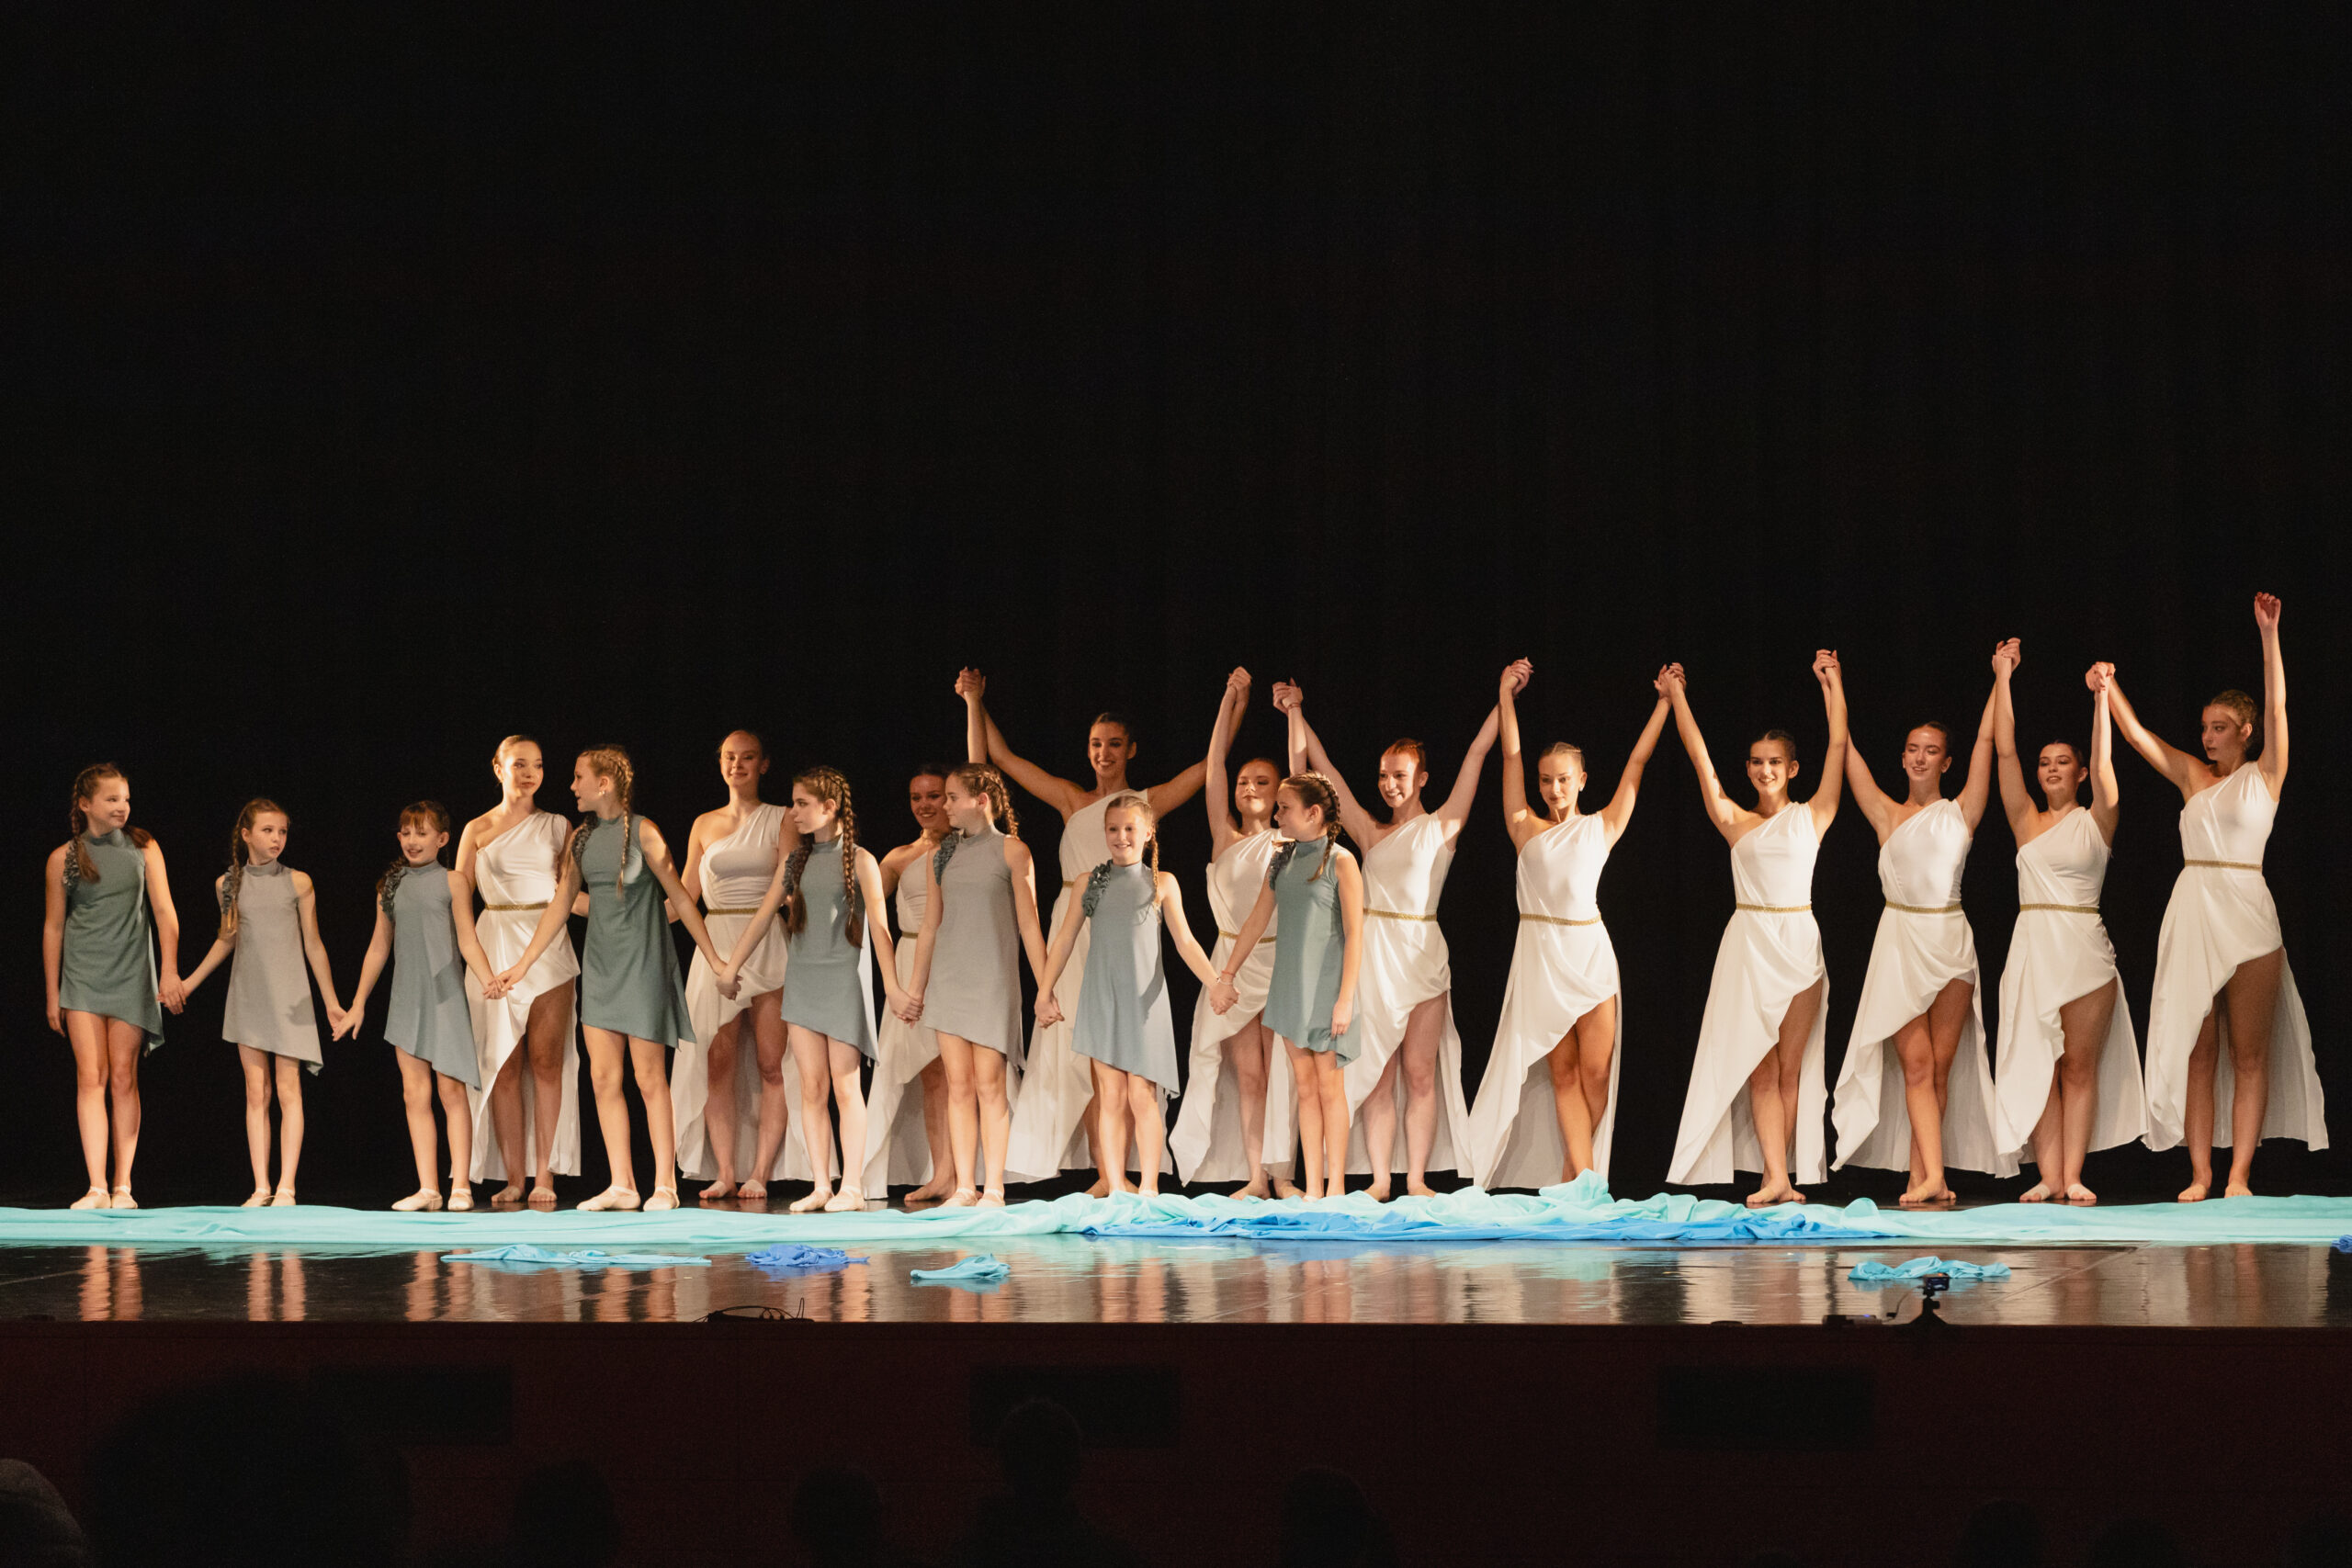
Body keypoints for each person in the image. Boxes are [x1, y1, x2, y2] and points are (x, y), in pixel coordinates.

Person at [2104, 592, 2323, 1198]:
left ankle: (2238, 1176)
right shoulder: (2192, 776)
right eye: (2204, 727)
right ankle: (2200, 1173)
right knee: (2198, 1052)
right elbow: (2138, 736)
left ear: (2245, 733)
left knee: (2248, 1054)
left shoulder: (2265, 774)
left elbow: (2277, 706)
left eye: (2219, 728)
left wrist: (2270, 636)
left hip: (2247, 909)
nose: (2207, 737)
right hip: (2195, 908)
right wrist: (2108, 686)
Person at [967, 670, 1208, 1190]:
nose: (1104, 753)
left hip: (1123, 933)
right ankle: (1106, 1173)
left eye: (1114, 744)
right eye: (1097, 744)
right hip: (1075, 922)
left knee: (1127, 1058)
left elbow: (1208, 768)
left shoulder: (1144, 803)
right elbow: (1001, 758)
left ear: (1131, 750)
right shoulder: (1071, 799)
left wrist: (1234, 703)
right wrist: (975, 700)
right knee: (1084, 1053)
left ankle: (1127, 1176)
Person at [1276, 679, 1500, 1199]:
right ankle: (1380, 1179)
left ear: (1421, 779)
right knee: (1377, 1070)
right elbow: (1325, 769)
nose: (1389, 784)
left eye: (1399, 775)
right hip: (1375, 956)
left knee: (1420, 1073)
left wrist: (1504, 698)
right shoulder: (1370, 832)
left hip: (1421, 954)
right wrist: (1295, 711)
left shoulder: (1442, 825)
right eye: (1383, 775)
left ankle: (1416, 1178)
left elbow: (1477, 752)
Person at [492, 746, 727, 1212]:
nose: (571, 786)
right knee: (603, 1077)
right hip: (600, 967)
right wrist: (523, 964)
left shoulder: (645, 832)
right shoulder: (581, 838)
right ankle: (622, 1183)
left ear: (604, 784)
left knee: (649, 1077)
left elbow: (681, 898)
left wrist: (716, 961)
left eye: (579, 777)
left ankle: (664, 1185)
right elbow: (561, 903)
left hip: (643, 965)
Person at [1465, 659, 1669, 1188]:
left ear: (1581, 780)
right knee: (1563, 1072)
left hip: (1590, 954)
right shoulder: (1523, 826)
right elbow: (1510, 754)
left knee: (1597, 1072)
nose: (1554, 789)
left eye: (1563, 779)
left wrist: (1664, 703)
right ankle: (1585, 1181)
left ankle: (1572, 1173)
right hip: (1543, 960)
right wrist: (1506, 695)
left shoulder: (1602, 825)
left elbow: (1637, 762)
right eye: (1546, 780)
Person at [1828, 653, 2016, 1203]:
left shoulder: (1963, 811)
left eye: (1931, 751)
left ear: (1946, 762)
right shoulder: (1886, 813)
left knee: (1939, 1068)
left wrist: (2001, 677)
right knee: (1915, 1063)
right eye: (1913, 748)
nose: (1919, 757)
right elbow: (1845, 750)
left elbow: (1987, 741)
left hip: (1950, 940)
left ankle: (1925, 1176)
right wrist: (1833, 684)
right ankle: (1934, 1177)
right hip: (1901, 943)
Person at [1663, 653, 1848, 1205]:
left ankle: (1779, 1176)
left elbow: (1838, 747)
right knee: (1758, 1068)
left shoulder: (1813, 814)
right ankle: (1775, 1178)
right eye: (1757, 762)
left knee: (1790, 1069)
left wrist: (1833, 685)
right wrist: (1677, 697)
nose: (1765, 770)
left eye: (1775, 762)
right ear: (1748, 769)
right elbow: (1700, 758)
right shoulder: (1734, 821)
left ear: (1792, 768)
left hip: (1799, 943)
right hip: (1749, 946)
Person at [1989, 644, 2144, 1201]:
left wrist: (2101, 699)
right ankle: (2048, 1175)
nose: (2051, 768)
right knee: (2040, 1062)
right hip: (2033, 947)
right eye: (2044, 762)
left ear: (2077, 773)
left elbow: (2105, 767)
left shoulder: (2098, 819)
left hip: (2082, 949)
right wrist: (2003, 677)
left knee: (2078, 1068)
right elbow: (2004, 751)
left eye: (2062, 762)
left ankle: (2072, 1175)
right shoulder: (2025, 820)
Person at [718, 766, 910, 1212]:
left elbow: (880, 929)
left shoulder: (861, 860)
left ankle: (852, 1187)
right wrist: (731, 967)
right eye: (793, 803)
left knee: (845, 1086)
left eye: (802, 804)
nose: (793, 812)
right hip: (803, 982)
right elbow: (764, 915)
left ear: (830, 807)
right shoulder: (796, 862)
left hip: (843, 981)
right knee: (810, 1087)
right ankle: (822, 1185)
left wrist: (894, 987)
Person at [1035, 792, 1221, 1195]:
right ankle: (1118, 1184)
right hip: (1102, 1000)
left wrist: (1215, 982)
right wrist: (1044, 992)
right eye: (1113, 829)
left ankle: (1149, 1186)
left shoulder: (1162, 882)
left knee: (1143, 1095)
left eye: (1130, 829)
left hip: (1145, 1005)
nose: (1121, 837)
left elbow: (1186, 942)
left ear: (1149, 832)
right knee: (1111, 1097)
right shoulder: (1088, 882)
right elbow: (1064, 940)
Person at [1170, 668, 1298, 1196]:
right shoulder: (1223, 835)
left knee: (1283, 1074)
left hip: (1280, 962)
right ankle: (1255, 1177)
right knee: (1250, 1076)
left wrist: (1293, 713)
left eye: (1262, 783)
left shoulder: (1288, 839)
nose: (1249, 788)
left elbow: (1300, 770)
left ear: (1279, 794)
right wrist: (1229, 698)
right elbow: (1214, 766)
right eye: (1245, 782)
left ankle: (1283, 1176)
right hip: (1234, 967)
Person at [180, 799, 346, 1207]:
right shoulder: (227, 884)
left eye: (282, 832)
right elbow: (226, 938)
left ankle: (287, 1185)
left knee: (289, 1089)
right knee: (257, 1091)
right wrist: (188, 984)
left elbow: (313, 944)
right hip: (249, 994)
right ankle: (260, 1186)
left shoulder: (298, 882)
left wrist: (330, 1001)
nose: (277, 839)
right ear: (246, 834)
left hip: (290, 996)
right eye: (268, 831)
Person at [902, 764, 1051, 1205]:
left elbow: (1030, 925)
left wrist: (1045, 989)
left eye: (952, 797)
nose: (944, 806)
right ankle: (965, 1185)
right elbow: (930, 926)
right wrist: (916, 990)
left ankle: (995, 1186)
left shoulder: (1013, 851)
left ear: (981, 800)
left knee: (990, 1086)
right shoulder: (942, 855)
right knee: (958, 1086)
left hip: (991, 982)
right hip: (949, 982)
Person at [1212, 773, 1365, 1200]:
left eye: (1284, 808)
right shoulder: (1281, 860)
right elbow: (1257, 920)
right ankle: (1313, 1187)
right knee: (1305, 1089)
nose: (1277, 815)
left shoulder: (1341, 861)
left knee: (1330, 1088)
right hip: (1291, 988)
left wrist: (1346, 999)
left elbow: (1355, 934)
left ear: (1313, 813)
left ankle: (1336, 1188)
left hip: (1328, 988)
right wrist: (1227, 975)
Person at [334, 801, 492, 1211]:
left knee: (451, 1091)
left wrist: (487, 977)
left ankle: (461, 1185)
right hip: (407, 998)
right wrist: (358, 1003)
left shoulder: (454, 882)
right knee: (413, 1093)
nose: (412, 840)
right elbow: (379, 946)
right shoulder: (391, 884)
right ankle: (428, 1188)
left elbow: (467, 939)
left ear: (442, 839)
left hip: (444, 997)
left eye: (422, 833)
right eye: (406, 833)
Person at [43, 764, 186, 1211]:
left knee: (124, 1076)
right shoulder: (64, 857)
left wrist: (169, 970)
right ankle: (96, 1187)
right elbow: (53, 927)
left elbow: (165, 912)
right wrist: (52, 993)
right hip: (83, 976)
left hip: (131, 973)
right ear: (85, 804)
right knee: (92, 1076)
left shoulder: (143, 847)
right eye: (111, 799)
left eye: (125, 798)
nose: (122, 806)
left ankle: (123, 1186)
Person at [673, 729, 807, 1201]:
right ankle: (726, 1171)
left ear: (763, 765)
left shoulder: (782, 818)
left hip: (767, 943)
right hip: (716, 944)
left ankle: (761, 1172)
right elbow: (683, 897)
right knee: (717, 1064)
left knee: (773, 1063)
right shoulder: (703, 823)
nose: (737, 765)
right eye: (730, 757)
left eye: (748, 757)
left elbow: (786, 886)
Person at [455, 736, 581, 1207]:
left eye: (538, 765)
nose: (529, 774)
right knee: (503, 1064)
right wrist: (478, 964)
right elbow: (460, 899)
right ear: (498, 768)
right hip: (493, 943)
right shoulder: (477, 829)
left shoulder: (558, 825)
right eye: (519, 764)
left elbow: (568, 893)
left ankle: (544, 1174)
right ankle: (513, 1177)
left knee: (547, 1062)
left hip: (546, 947)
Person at [873, 765, 957, 1199]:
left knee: (962, 1072)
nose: (925, 805)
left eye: (934, 795)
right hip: (910, 963)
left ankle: (967, 1176)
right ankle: (943, 1173)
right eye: (916, 797)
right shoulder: (899, 857)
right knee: (931, 1073)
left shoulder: (968, 849)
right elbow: (867, 912)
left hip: (956, 961)